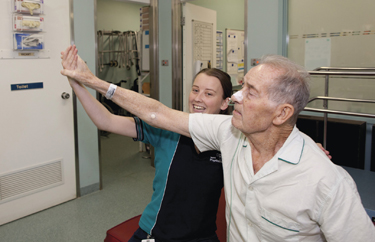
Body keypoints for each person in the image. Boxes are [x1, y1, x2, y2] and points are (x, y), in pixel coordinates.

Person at [61, 47, 362, 241]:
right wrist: (85, 81)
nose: (239, 98)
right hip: (158, 231)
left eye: (251, 91)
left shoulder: (325, 180)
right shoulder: (215, 132)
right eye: (195, 90)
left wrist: (309, 153)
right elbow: (154, 113)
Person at [61, 46, 231, 242]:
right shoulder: (168, 128)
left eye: (209, 94)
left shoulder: (230, 139)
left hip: (202, 236)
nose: (198, 98)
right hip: (155, 232)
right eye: (195, 90)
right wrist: (77, 84)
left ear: (225, 103)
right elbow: (106, 121)